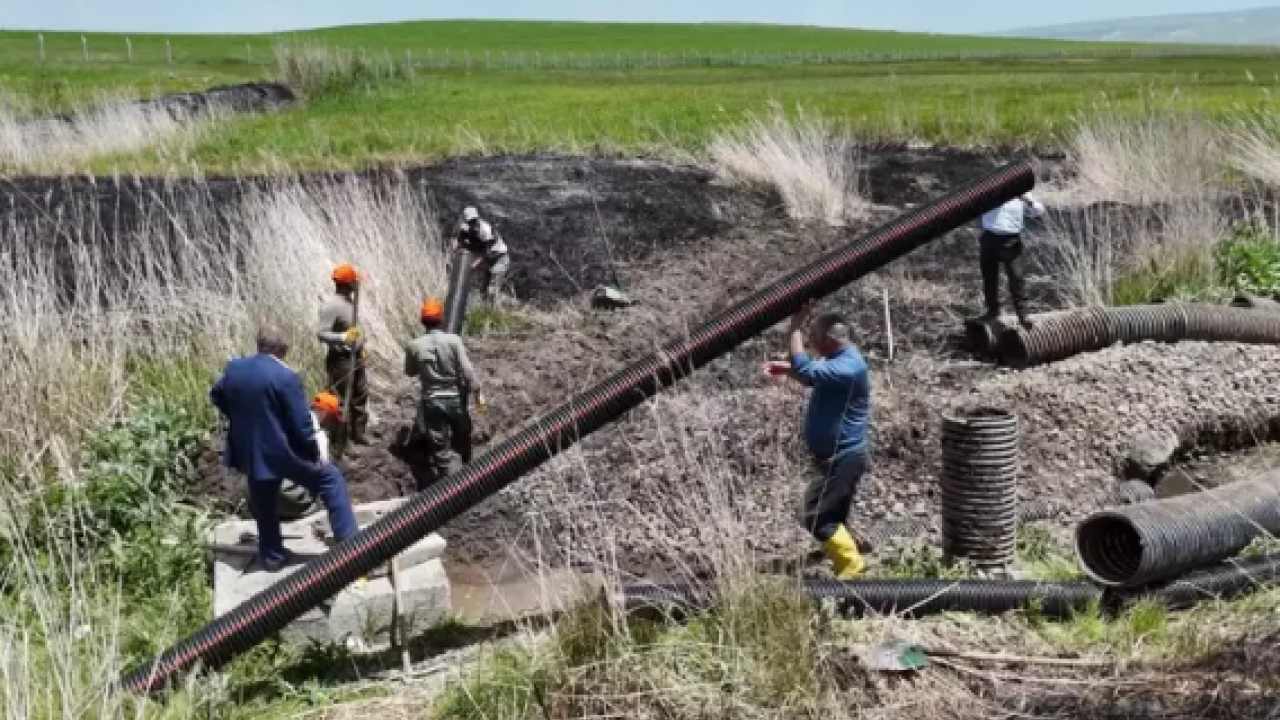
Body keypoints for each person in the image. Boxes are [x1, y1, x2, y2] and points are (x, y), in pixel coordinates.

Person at [210, 323, 360, 572]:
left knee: (264, 503)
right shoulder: (286, 377)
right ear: (282, 349)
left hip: (252, 451)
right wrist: (313, 451)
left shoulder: (235, 369)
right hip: (283, 452)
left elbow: (216, 394)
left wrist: (241, 420)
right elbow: (302, 424)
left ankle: (272, 558)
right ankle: (352, 549)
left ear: (259, 344)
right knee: (330, 479)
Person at [764, 302, 872, 579]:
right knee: (830, 515)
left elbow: (805, 367)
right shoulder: (839, 360)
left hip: (843, 457)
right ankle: (849, 558)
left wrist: (795, 326)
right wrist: (786, 369)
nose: (809, 342)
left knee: (816, 516)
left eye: (813, 337)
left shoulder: (849, 367)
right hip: (835, 457)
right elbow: (810, 376)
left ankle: (852, 567)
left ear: (830, 339)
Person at [403, 298, 485, 490]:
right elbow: (467, 369)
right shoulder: (454, 341)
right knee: (463, 433)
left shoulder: (414, 345)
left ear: (422, 321)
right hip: (455, 398)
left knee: (439, 445)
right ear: (441, 319)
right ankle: (468, 469)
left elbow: (410, 371)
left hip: (432, 401)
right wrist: (477, 391)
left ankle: (448, 486)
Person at [316, 263, 370, 449]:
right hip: (340, 362)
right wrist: (343, 337)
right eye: (355, 282)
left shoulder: (349, 303)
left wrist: (360, 346)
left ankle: (359, 434)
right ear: (349, 284)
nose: (357, 285)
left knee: (360, 395)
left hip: (356, 358)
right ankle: (341, 443)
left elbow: (354, 330)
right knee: (340, 402)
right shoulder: (331, 306)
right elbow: (321, 334)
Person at [977, 193, 1046, 330]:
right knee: (989, 277)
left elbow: (1039, 211)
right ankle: (992, 311)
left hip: (1011, 239)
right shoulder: (987, 190)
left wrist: (1028, 201)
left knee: (1016, 278)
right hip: (989, 236)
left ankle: (1023, 315)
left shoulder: (1021, 192)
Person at [454, 206, 510, 304]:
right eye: (470, 221)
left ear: (478, 218)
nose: (473, 223)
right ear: (466, 221)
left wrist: (474, 265)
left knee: (492, 291)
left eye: (474, 220)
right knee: (483, 290)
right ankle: (483, 309)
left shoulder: (485, 230)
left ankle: (492, 310)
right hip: (489, 259)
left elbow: (486, 252)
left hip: (499, 258)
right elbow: (460, 243)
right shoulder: (465, 228)